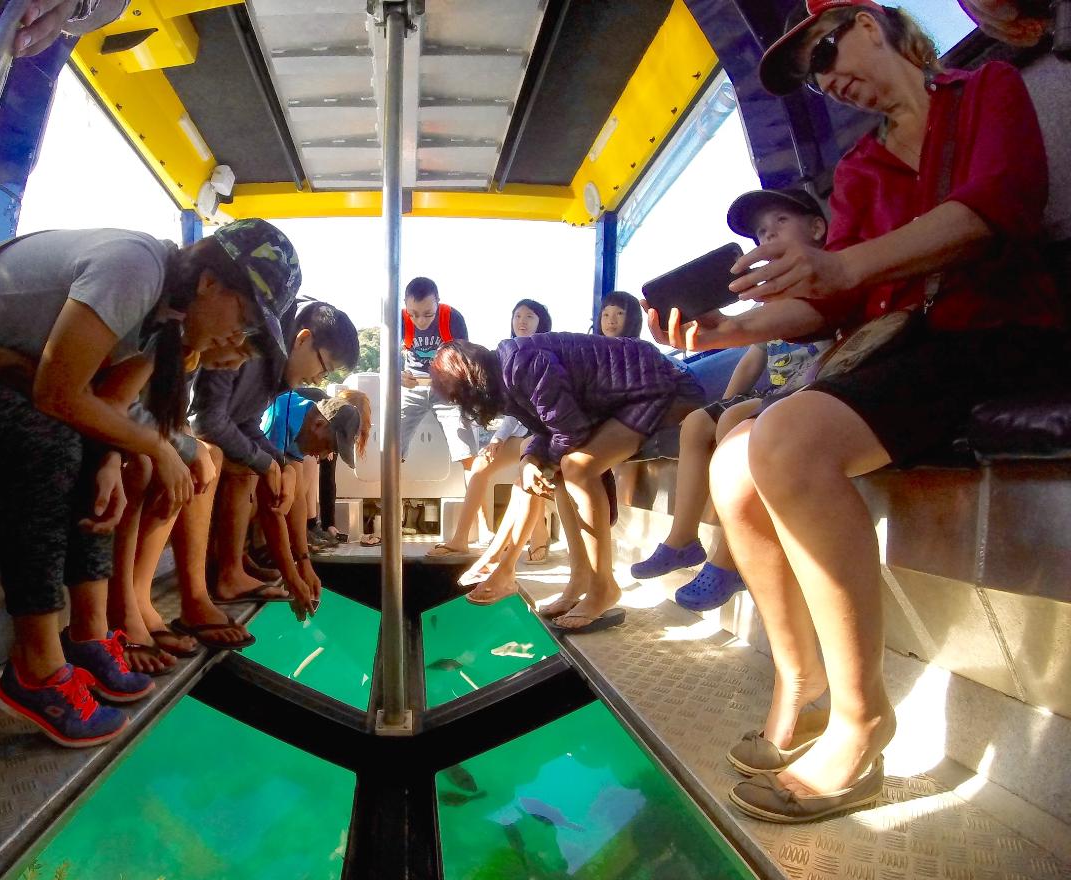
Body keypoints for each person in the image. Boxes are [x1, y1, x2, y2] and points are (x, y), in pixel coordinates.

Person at [658, 0, 1066, 822]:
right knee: (735, 462)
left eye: (826, 46)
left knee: (788, 443)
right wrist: (728, 326)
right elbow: (831, 306)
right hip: (908, 348)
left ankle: (862, 720)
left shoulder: (984, 91)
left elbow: (1000, 206)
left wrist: (843, 267)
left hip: (1003, 327)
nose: (827, 75)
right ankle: (803, 682)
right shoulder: (862, 174)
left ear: (873, 24)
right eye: (814, 70)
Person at [0, 218, 301, 746]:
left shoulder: (165, 319)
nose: (235, 338)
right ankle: (34, 670)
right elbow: (57, 396)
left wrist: (111, 460)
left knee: (91, 457)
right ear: (209, 283)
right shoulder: (135, 266)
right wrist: (151, 447)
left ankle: (89, 635)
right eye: (242, 318)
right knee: (47, 441)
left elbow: (104, 406)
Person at [633, 188, 831, 612]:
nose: (768, 235)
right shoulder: (769, 299)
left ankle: (730, 557)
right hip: (776, 391)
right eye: (761, 232)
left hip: (813, 387)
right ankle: (683, 538)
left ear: (817, 228)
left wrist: (730, 408)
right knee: (698, 423)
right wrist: (717, 403)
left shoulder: (832, 282)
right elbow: (755, 354)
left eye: (780, 222)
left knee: (734, 424)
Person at [430, 335, 703, 633]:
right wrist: (531, 461)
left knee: (578, 467)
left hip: (657, 386)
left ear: (472, 383)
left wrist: (542, 463)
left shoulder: (523, 366)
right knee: (562, 472)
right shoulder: (507, 375)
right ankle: (579, 581)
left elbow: (570, 430)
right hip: (622, 401)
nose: (463, 405)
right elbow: (547, 426)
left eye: (459, 396)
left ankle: (604, 587)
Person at [191, 300, 359, 614]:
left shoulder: (277, 377)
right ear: (303, 339)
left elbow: (246, 424)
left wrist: (278, 464)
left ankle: (234, 565)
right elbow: (207, 422)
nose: (317, 381)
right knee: (250, 469)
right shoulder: (250, 347)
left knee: (263, 467)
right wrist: (269, 463)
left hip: (212, 451)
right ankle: (227, 571)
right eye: (322, 368)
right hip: (191, 445)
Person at [428, 299, 553, 560]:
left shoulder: (543, 352)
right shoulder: (503, 355)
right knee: (480, 467)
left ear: (541, 322)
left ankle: (539, 537)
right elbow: (512, 409)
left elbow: (538, 410)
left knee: (526, 462)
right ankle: (461, 539)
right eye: (517, 315)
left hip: (546, 431)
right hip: (520, 431)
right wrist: (497, 438)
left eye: (529, 316)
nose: (521, 321)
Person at [258, 392, 361, 616]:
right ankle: (237, 564)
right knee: (265, 482)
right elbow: (271, 506)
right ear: (318, 423)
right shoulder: (280, 419)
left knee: (292, 477)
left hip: (264, 468)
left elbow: (296, 500)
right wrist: (291, 575)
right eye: (328, 445)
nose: (324, 454)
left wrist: (304, 561)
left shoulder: (302, 424)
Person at [398, 277, 479, 471]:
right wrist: (398, 375)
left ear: (438, 302)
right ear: (405, 306)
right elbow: (389, 358)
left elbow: (464, 357)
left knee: (465, 448)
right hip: (413, 387)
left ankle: (476, 500)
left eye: (428, 314)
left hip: (446, 389)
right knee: (392, 445)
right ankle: (392, 499)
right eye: (413, 314)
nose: (420, 321)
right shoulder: (398, 319)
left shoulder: (453, 318)